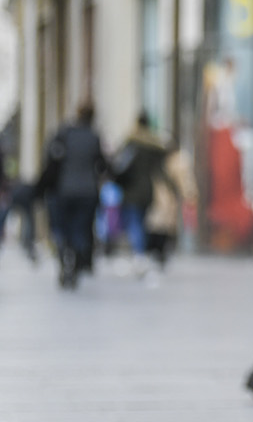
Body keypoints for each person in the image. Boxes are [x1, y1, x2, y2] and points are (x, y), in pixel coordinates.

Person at [41, 102, 107, 289]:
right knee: (81, 229)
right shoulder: (94, 137)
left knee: (63, 228)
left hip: (63, 190)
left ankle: (64, 260)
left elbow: (50, 161)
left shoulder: (64, 134)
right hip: (87, 192)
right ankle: (75, 266)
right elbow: (101, 165)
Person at [113, 112, 173, 280]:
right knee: (140, 222)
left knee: (134, 223)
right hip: (147, 189)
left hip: (132, 190)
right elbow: (164, 157)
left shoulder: (131, 142)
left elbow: (119, 164)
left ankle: (139, 255)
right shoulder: (153, 145)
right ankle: (140, 254)